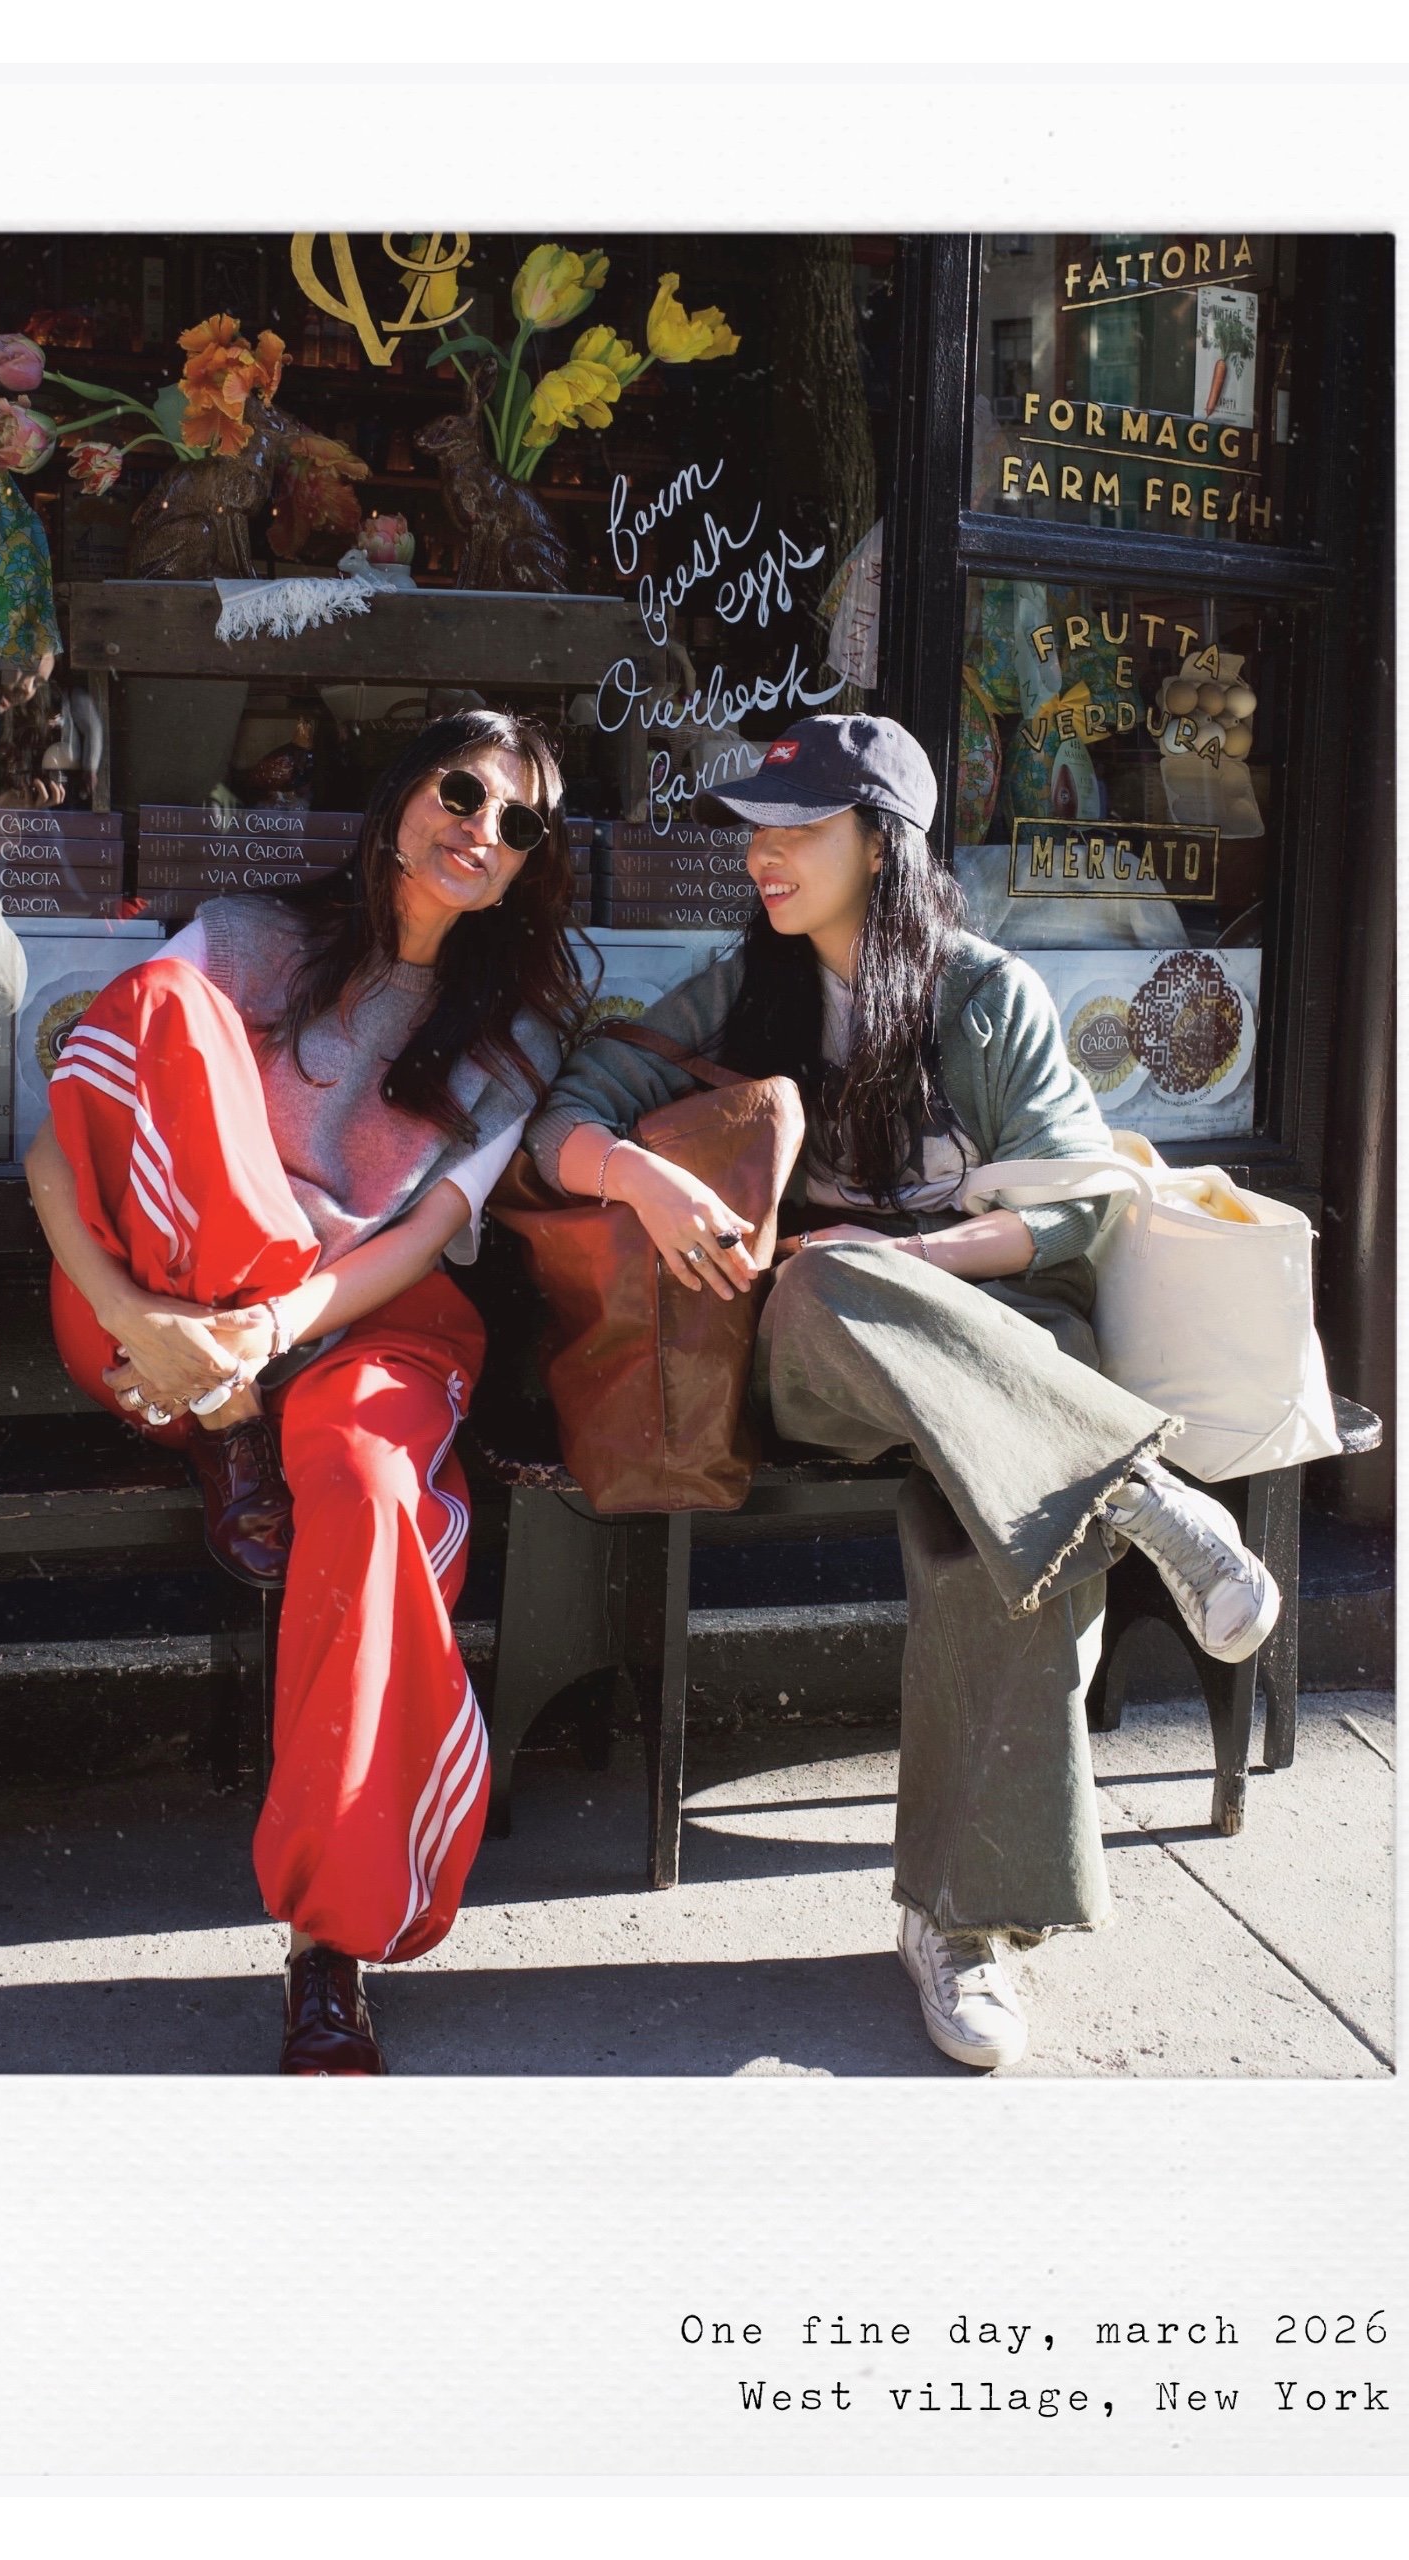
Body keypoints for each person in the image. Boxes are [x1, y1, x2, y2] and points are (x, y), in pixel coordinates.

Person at [523, 713, 1278, 2071]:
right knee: (821, 1284)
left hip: (1000, 1349)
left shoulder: (986, 997)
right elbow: (561, 1119)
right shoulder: (735, 992)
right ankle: (1137, 1485)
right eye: (758, 830)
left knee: (1006, 1525)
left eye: (801, 829)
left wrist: (915, 1260)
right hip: (819, 1358)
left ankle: (960, 1923)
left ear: (884, 845)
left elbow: (1076, 1208)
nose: (764, 856)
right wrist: (640, 1176)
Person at [24, 710, 588, 2072]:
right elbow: (61, 1145)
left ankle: (331, 1940)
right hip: (158, 1307)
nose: (482, 831)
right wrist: (143, 1318)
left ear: (528, 864)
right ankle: (228, 1427)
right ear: (403, 794)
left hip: (356, 1321)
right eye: (463, 793)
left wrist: (268, 1328)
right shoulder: (243, 939)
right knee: (163, 1007)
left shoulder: (514, 1029)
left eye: (518, 824)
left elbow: (417, 1236)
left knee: (371, 1489)